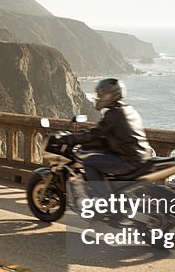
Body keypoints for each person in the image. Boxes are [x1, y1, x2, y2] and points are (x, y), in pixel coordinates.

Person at [60, 78, 152, 208]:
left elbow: (96, 133)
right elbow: (108, 134)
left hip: (127, 160)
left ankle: (105, 200)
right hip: (140, 156)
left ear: (111, 95)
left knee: (89, 163)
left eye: (101, 94)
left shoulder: (114, 114)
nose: (98, 97)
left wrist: (71, 138)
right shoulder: (128, 110)